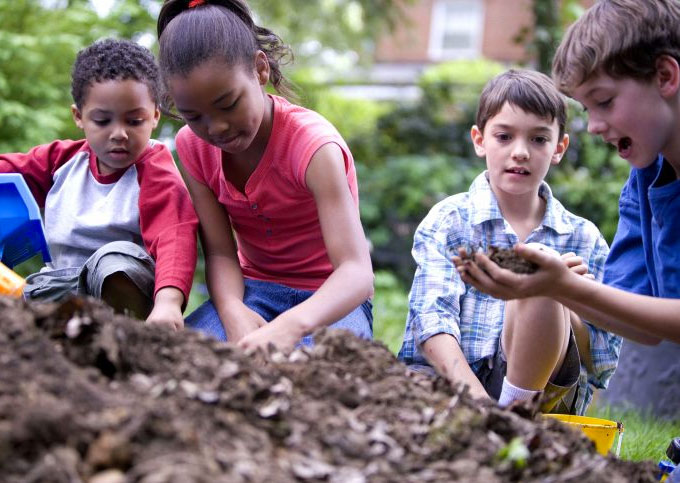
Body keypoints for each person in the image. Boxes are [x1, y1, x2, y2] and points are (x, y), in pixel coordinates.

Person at [454, 0, 680, 345]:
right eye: (586, 108)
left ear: (665, 76)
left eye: (603, 101)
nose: (592, 126)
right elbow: (643, 326)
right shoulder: (644, 179)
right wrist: (555, 287)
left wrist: (563, 286)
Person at [399, 69, 622, 414]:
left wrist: (569, 294)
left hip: (540, 398)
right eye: (504, 137)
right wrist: (479, 407)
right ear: (479, 140)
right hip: (451, 385)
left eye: (538, 139)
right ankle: (503, 424)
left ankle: (512, 418)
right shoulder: (451, 220)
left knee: (544, 270)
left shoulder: (583, 238)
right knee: (542, 270)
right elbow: (431, 323)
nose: (520, 152)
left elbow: (603, 361)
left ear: (559, 147)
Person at [156, 0, 374, 351]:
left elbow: (355, 272)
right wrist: (231, 310)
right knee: (180, 358)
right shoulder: (192, 148)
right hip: (252, 293)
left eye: (228, 104)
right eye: (194, 116)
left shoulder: (314, 148)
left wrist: (290, 326)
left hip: (330, 301)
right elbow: (222, 254)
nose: (217, 127)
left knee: (313, 375)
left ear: (260, 70)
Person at [0, 38, 198, 330]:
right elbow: (8, 171)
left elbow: (175, 236)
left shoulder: (154, 169)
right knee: (26, 292)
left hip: (122, 281)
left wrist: (168, 302)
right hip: (61, 284)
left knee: (112, 260)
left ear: (154, 115)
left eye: (134, 121)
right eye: (103, 121)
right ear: (79, 117)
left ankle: (120, 331)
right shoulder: (62, 161)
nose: (119, 133)